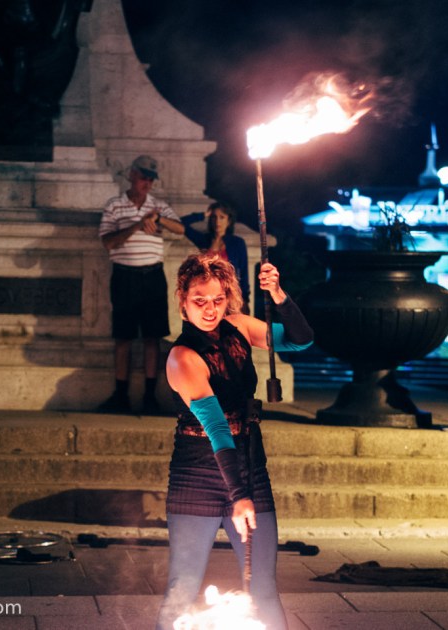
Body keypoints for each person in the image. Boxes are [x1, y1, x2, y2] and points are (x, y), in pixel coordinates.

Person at [155, 254, 313, 630]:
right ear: (183, 301)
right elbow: (217, 428)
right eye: (199, 301)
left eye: (217, 299)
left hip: (249, 466)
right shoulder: (182, 357)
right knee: (182, 587)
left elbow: (300, 340)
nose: (210, 309)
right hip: (198, 475)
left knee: (263, 588)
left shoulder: (239, 326)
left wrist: (278, 294)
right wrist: (239, 495)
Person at [97, 155, 184, 414]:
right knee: (123, 337)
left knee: (151, 338)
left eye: (151, 179)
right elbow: (108, 241)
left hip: (152, 276)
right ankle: (120, 395)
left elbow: (180, 229)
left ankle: (149, 397)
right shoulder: (115, 205)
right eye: (143, 177)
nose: (147, 183)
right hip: (125, 276)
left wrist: (158, 219)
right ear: (132, 175)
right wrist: (137, 225)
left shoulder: (159, 205)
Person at [181, 201, 251, 313]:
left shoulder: (237, 243)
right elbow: (181, 223)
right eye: (214, 217)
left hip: (230, 297)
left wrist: (245, 300)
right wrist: (203, 215)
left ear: (229, 221)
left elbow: (243, 272)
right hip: (208, 296)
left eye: (222, 217)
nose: (217, 221)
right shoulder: (205, 240)